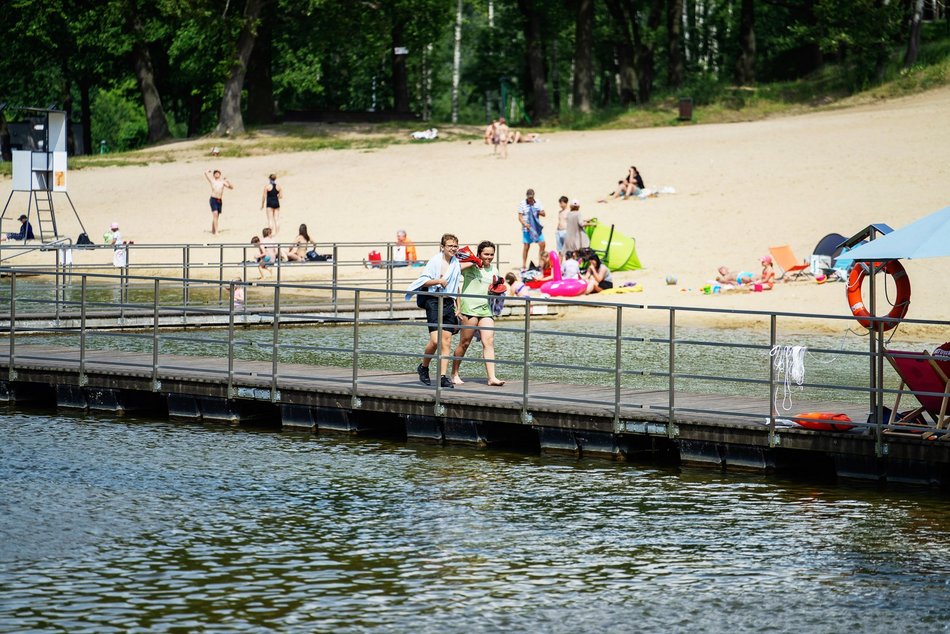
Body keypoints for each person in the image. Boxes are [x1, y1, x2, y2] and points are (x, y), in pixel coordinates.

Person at [405, 233, 462, 389]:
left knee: (447, 341)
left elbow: (456, 285)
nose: (453, 248)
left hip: (449, 302)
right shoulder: (435, 261)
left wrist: (459, 306)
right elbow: (423, 280)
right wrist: (438, 281)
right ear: (442, 247)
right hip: (433, 300)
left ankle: (443, 377)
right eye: (450, 245)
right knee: (436, 340)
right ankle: (424, 367)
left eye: (455, 246)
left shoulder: (456, 263)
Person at [450, 240, 505, 387]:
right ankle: (454, 373)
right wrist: (473, 262)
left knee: (489, 342)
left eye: (491, 254)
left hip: (485, 310)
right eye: (486, 254)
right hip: (469, 308)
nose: (489, 257)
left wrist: (495, 289)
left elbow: (493, 288)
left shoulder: (494, 270)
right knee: (464, 343)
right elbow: (454, 269)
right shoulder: (471, 266)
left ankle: (492, 377)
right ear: (479, 253)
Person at [518, 188, 546, 270]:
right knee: (526, 246)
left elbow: (544, 213)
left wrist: (537, 211)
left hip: (536, 228)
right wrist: (525, 224)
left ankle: (540, 263)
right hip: (527, 228)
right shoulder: (522, 204)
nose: (530, 199)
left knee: (542, 244)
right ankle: (524, 264)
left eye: (531, 197)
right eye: (529, 198)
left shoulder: (537, 203)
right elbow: (520, 217)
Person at [205, 169, 233, 235]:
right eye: (215, 173)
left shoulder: (222, 182)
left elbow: (231, 187)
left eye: (218, 173)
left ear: (220, 174)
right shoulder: (212, 181)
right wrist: (208, 171)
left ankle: (213, 230)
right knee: (215, 214)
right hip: (213, 199)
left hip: (219, 200)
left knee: (216, 216)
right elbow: (205, 174)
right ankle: (216, 231)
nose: (217, 174)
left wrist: (228, 181)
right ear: (214, 175)